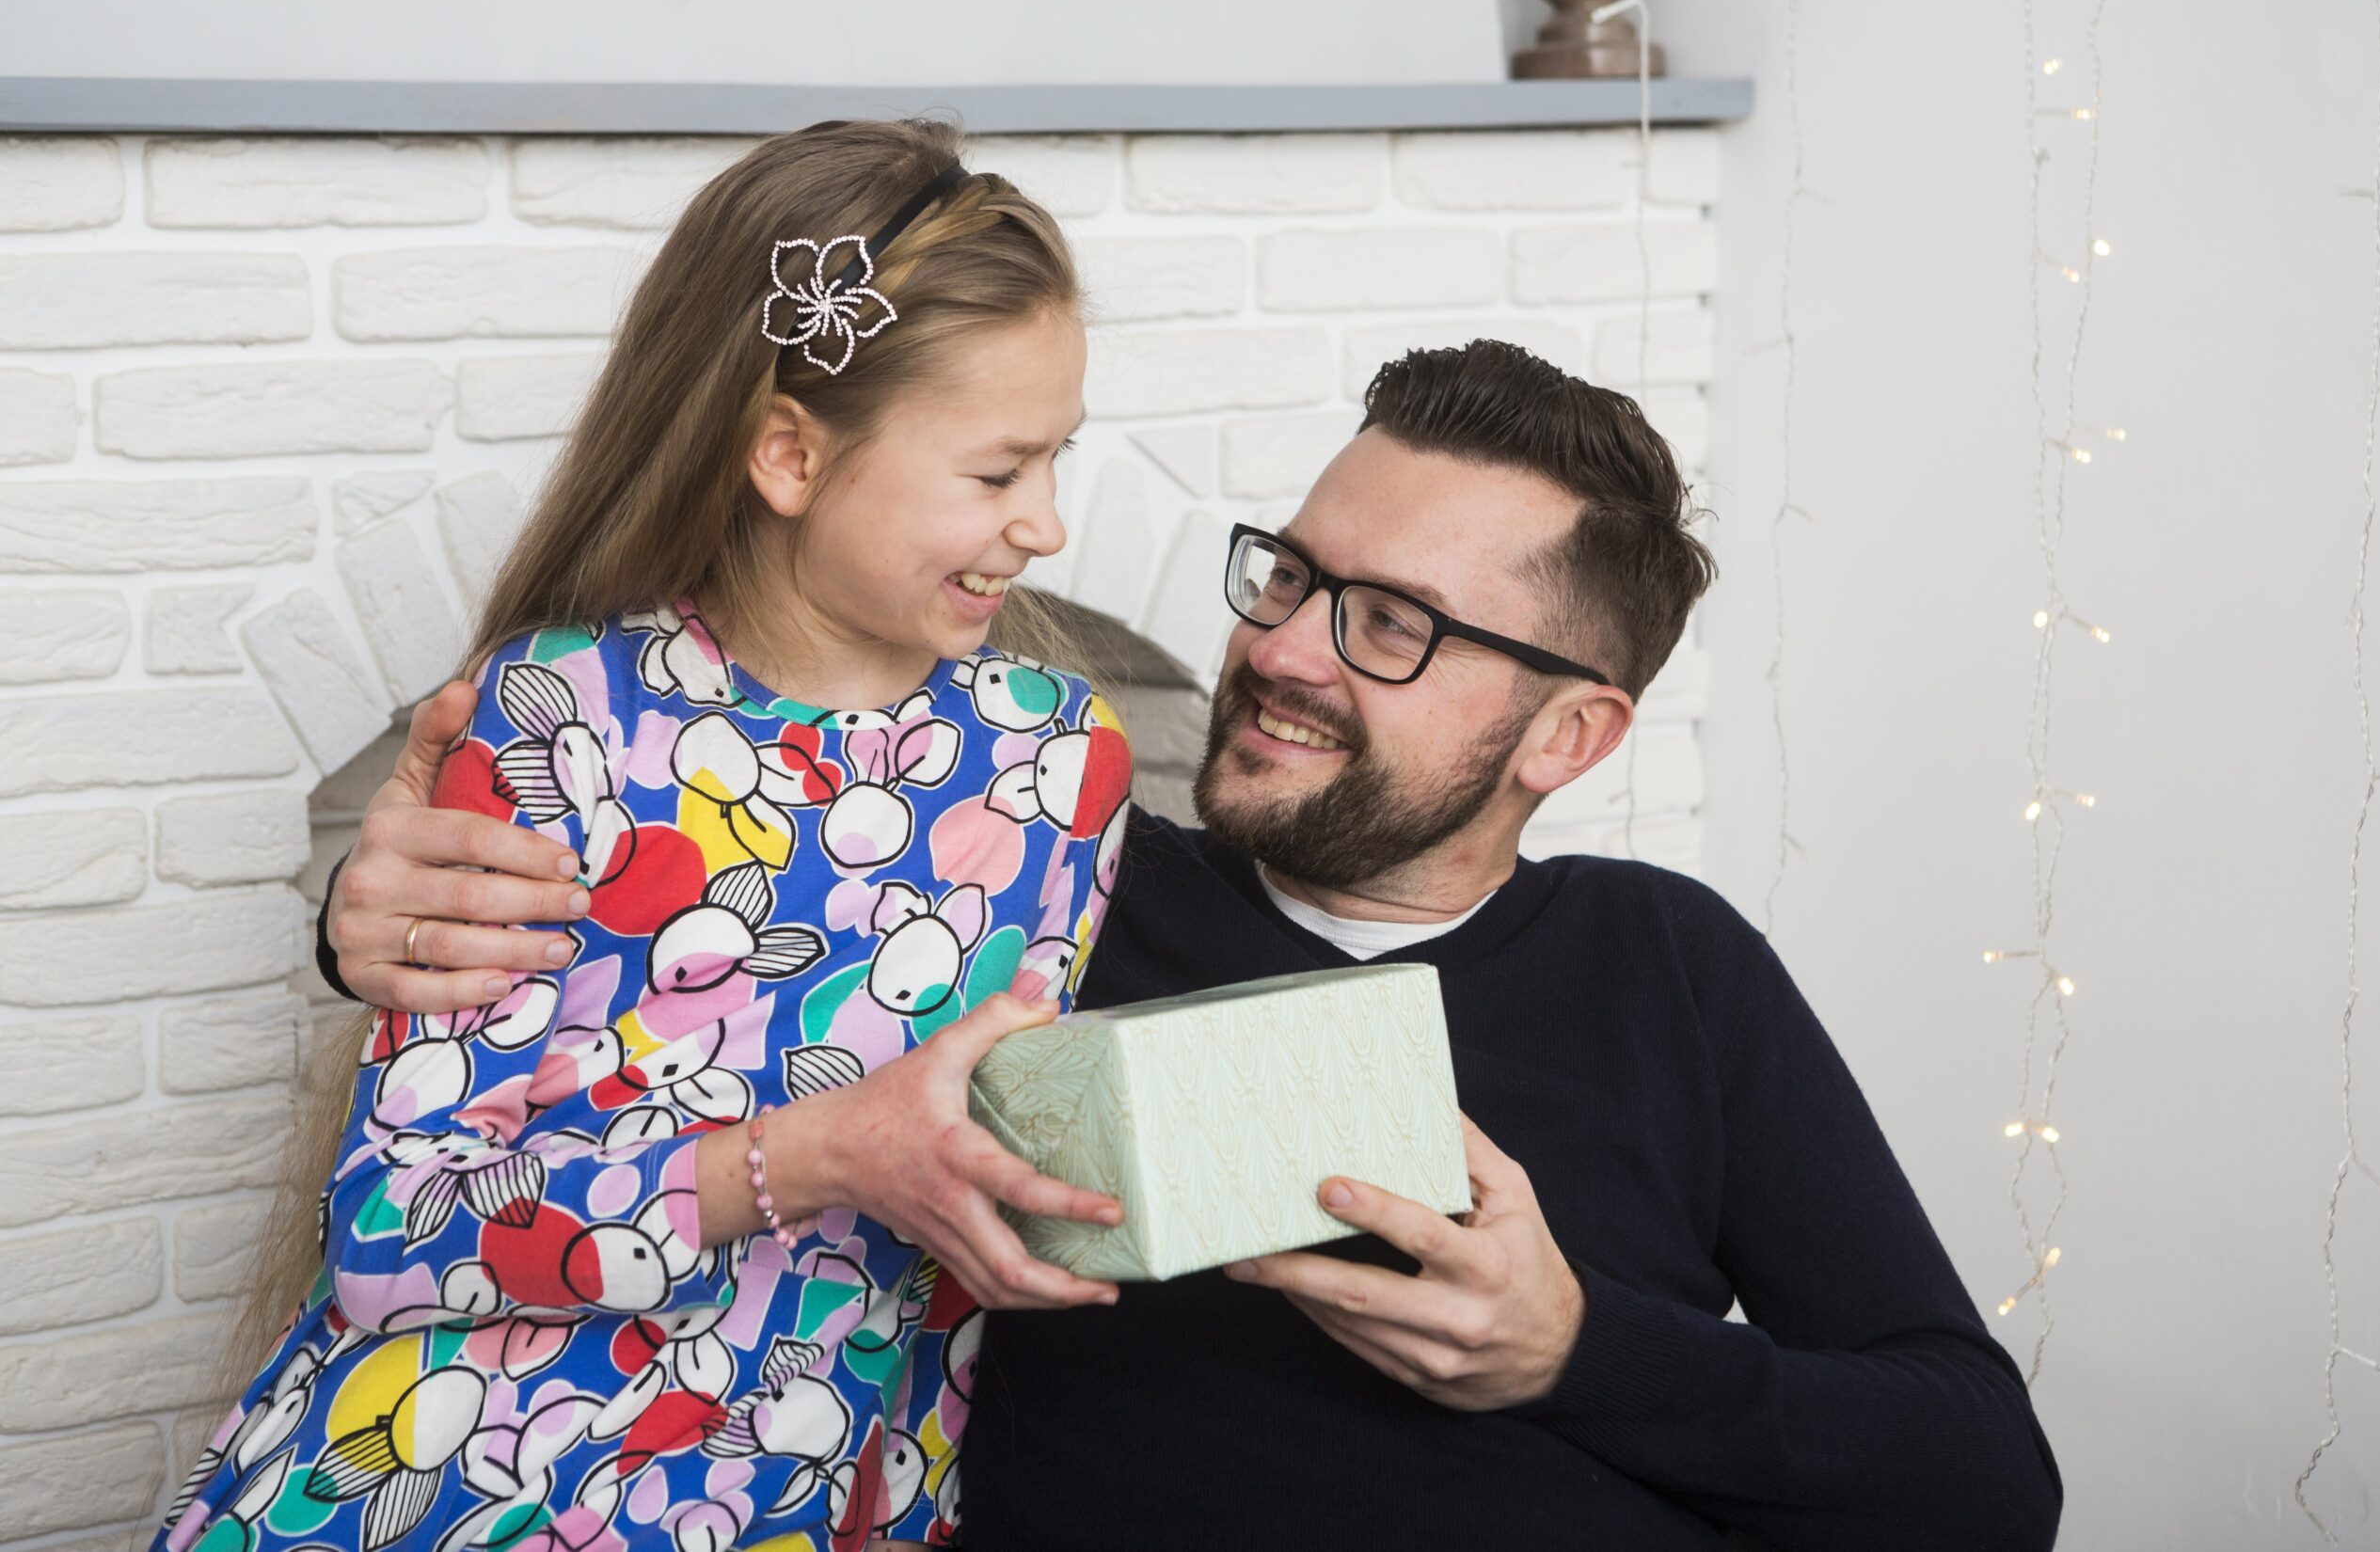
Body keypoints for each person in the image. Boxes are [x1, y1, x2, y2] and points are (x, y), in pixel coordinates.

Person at [314, 341, 2066, 1549]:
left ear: (1570, 740)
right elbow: (616, 1055)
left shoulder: (1671, 967)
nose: (1289, 648)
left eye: (1390, 625)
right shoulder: (1026, 885)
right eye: (1291, 577)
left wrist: (1577, 1347)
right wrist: (375, 920)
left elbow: (1981, 1480)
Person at [157, 119, 1134, 1552]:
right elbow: (391, 1232)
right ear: (790, 454)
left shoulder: (1063, 761)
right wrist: (815, 1156)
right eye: (996, 474)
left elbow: (1021, 1165)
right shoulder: (562, 727)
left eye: (1058, 459)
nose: (1044, 524)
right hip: (468, 1484)